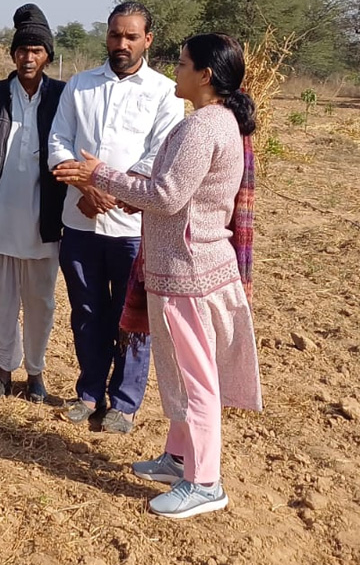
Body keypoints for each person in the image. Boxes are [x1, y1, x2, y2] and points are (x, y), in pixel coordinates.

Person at [53, 32, 262, 519]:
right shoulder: (215, 121)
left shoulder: (203, 127)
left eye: (184, 63)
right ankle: (178, 457)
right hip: (183, 267)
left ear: (205, 76)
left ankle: (205, 481)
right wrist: (127, 187)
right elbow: (168, 191)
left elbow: (167, 196)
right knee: (177, 369)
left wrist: (99, 175)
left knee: (195, 379)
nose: (176, 71)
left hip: (189, 271)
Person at [46, 1, 184, 433]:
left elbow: (157, 156)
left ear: (148, 40)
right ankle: (89, 393)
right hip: (80, 220)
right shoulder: (80, 85)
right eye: (114, 35)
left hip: (133, 227)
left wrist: (108, 187)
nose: (120, 44)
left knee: (133, 317)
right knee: (87, 312)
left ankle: (124, 403)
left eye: (130, 36)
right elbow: (58, 142)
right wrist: (84, 188)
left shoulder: (165, 92)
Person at [0, 4, 67, 402]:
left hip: (45, 222)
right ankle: (3, 369)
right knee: (0, 297)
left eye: (37, 50)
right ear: (13, 55)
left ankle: (35, 373)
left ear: (47, 56)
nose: (28, 57)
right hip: (0, 219)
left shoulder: (62, 98)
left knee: (40, 300)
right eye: (22, 49)